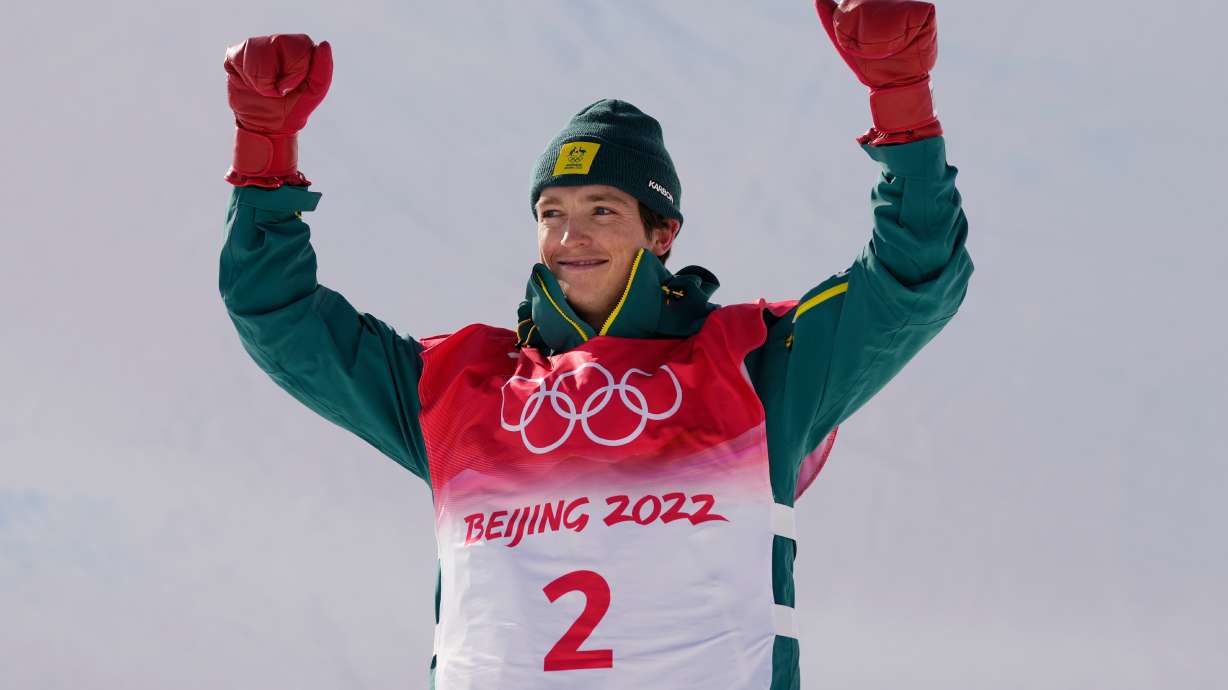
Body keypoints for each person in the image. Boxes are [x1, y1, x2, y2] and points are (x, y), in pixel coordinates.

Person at [218, 1, 972, 687]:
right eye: (551, 212)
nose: (569, 236)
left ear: (662, 233)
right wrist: (264, 157)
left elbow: (915, 279)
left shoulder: (757, 366)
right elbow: (279, 315)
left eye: (603, 210)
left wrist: (902, 107)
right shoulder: (456, 387)